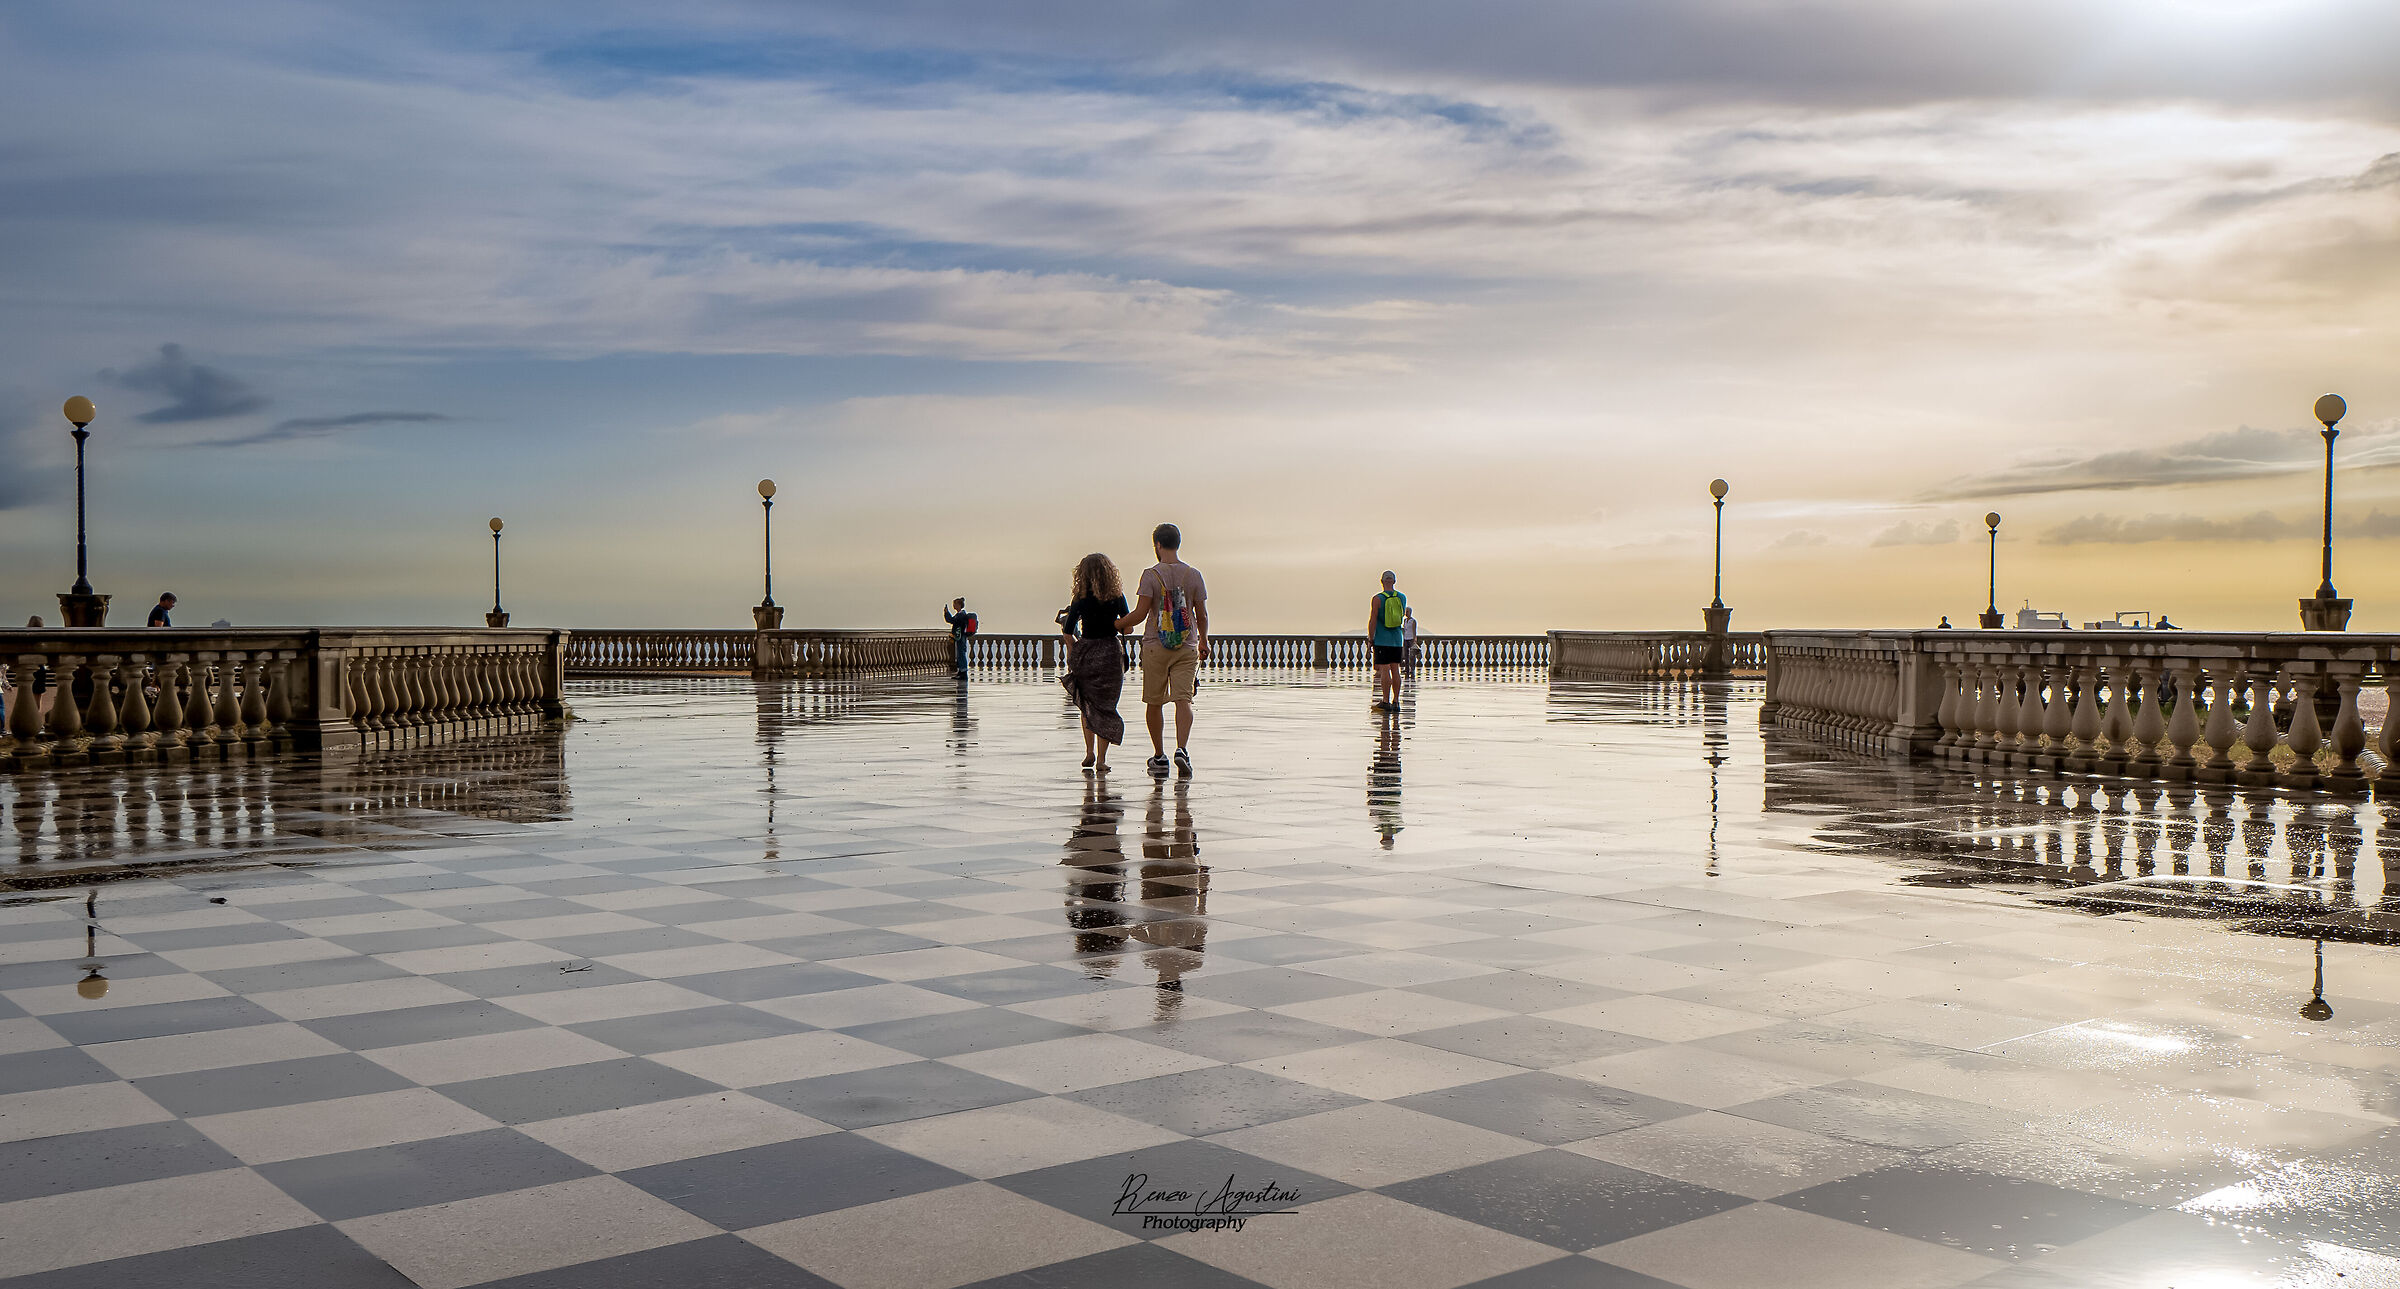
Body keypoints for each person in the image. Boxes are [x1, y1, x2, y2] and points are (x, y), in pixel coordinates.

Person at [1116, 523, 1207, 779]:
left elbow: (1140, 613)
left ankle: (1159, 756)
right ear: (1178, 543)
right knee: (1183, 699)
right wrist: (1204, 641)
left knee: (1154, 702)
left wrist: (1118, 624)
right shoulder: (1193, 575)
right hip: (1187, 645)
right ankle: (1182, 749)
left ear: (1157, 544)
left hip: (1156, 646)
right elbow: (1201, 615)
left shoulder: (1150, 575)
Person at [1059, 553, 1129, 772]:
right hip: (1109, 652)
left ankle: (1088, 752)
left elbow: (1067, 632)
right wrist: (1114, 623)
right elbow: (1128, 627)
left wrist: (1074, 652)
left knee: (1088, 705)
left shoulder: (1080, 599)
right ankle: (1101, 759)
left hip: (1087, 651)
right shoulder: (1116, 597)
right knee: (1106, 706)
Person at [1369, 571, 1407, 711]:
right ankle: (1396, 701)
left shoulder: (1377, 599)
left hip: (1382, 639)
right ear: (1394, 581)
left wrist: (1371, 638)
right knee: (1395, 669)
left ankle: (1386, 701)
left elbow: (1373, 620)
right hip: (1397, 638)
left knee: (1385, 670)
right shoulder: (1402, 597)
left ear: (1382, 581)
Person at [942, 597, 973, 676]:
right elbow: (952, 620)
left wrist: (946, 613)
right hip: (960, 636)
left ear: (959, 605)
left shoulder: (961, 615)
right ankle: (961, 671)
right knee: (960, 653)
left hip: (960, 636)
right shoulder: (960, 614)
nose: (953, 606)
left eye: (954, 604)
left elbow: (952, 620)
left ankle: (963, 671)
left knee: (961, 653)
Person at [1401, 606, 1420, 672]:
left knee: (1412, 655)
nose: (1406, 613)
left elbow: (1414, 630)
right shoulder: (1405, 620)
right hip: (1406, 638)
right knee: (1406, 655)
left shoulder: (1413, 621)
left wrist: (1414, 639)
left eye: (1407, 612)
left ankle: (1412, 668)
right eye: (1406, 612)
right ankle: (1407, 668)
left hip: (1411, 638)